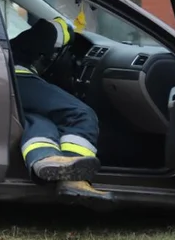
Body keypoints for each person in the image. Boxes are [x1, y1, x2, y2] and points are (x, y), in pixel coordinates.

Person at [10, 14, 109, 201]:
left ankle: (45, 157)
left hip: (3, 77)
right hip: (17, 77)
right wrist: (70, 30)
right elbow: (60, 31)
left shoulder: (26, 41)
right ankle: (75, 178)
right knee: (81, 114)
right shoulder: (54, 27)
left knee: (40, 121)